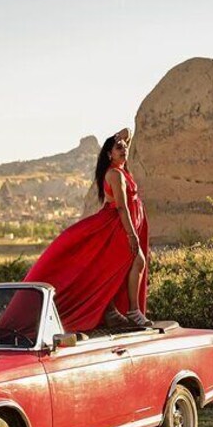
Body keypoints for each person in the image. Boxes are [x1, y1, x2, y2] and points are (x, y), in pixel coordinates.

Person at [21, 127, 151, 331]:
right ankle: (133, 311)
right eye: (118, 148)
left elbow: (128, 131)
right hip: (117, 227)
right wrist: (132, 235)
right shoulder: (115, 174)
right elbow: (123, 208)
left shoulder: (120, 169)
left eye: (125, 147)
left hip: (119, 225)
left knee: (124, 266)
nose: (124, 149)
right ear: (110, 154)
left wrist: (118, 138)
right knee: (137, 261)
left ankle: (121, 310)